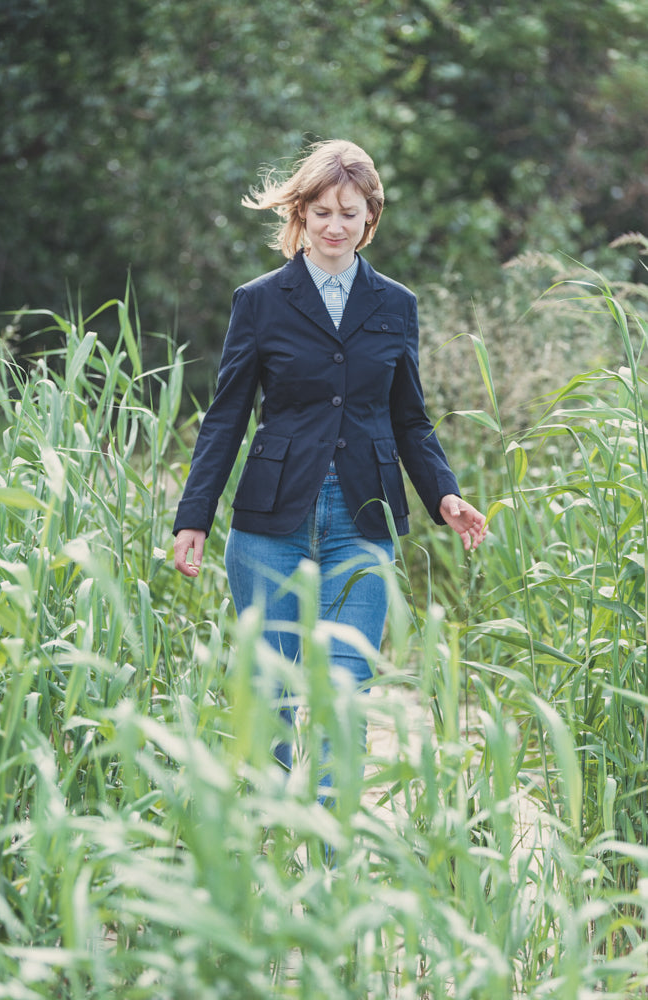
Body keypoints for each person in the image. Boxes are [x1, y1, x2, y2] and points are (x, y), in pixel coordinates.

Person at [173, 139, 486, 799]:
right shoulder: (259, 301)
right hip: (269, 521)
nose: (334, 226)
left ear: (370, 218)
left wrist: (444, 495)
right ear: (301, 216)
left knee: (346, 693)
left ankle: (330, 862)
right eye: (321, 212)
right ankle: (269, 850)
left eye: (349, 213)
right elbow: (226, 416)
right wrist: (193, 517)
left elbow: (410, 419)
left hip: (363, 517)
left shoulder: (395, 305)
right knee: (271, 693)